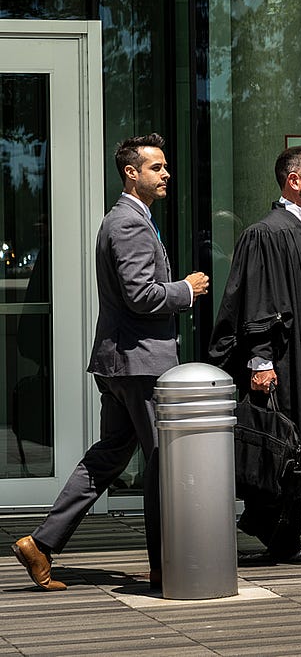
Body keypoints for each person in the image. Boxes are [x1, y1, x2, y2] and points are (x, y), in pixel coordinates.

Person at [11, 133, 209, 591]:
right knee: (164, 463)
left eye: (164, 167)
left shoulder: (128, 220)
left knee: (108, 457)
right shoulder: (129, 224)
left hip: (124, 362)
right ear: (131, 173)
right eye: (156, 168)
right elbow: (142, 296)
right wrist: (186, 290)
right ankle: (167, 566)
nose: (166, 175)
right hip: (140, 364)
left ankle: (41, 545)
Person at [209, 145, 301, 565]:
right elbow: (258, 298)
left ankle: (273, 527)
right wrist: (260, 359)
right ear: (295, 181)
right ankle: (282, 535)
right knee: (286, 440)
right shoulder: (268, 232)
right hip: (285, 356)